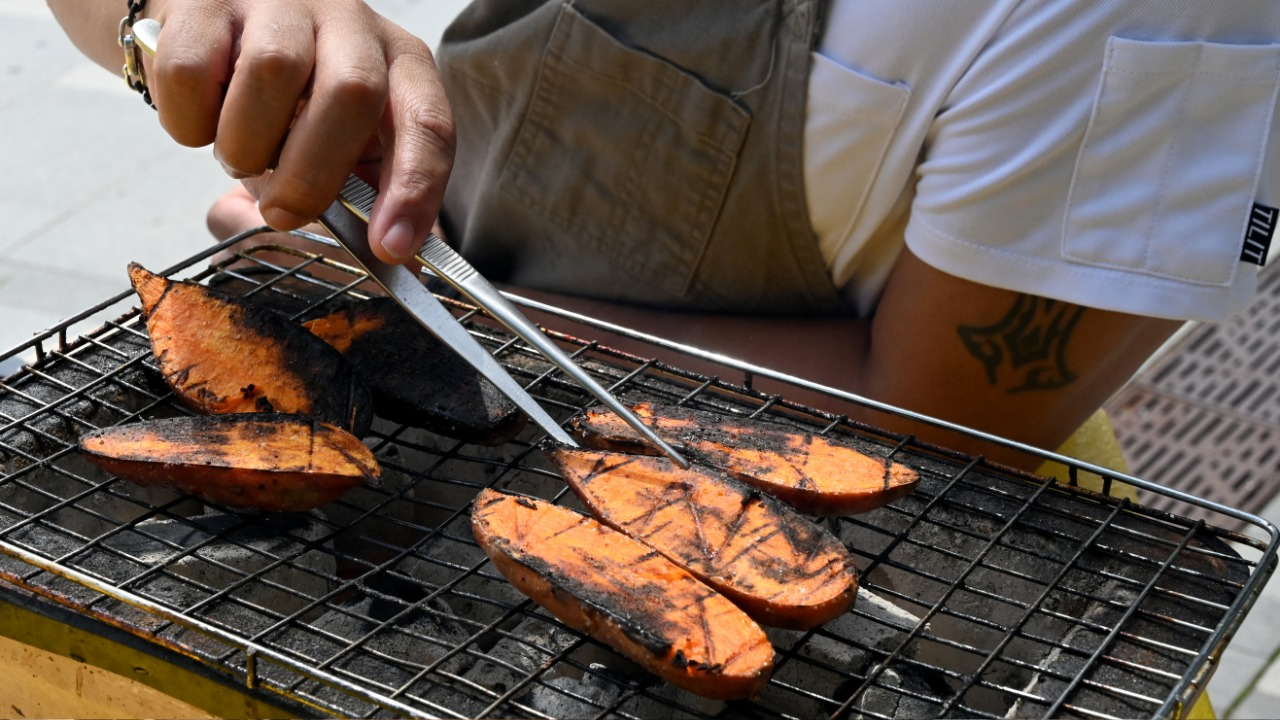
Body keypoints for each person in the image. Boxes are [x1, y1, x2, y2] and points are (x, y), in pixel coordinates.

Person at [48, 0, 1279, 469]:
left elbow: (944, 415)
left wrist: (454, 310)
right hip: (450, 378)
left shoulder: (1173, 14)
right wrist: (182, 20)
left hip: (876, 528)